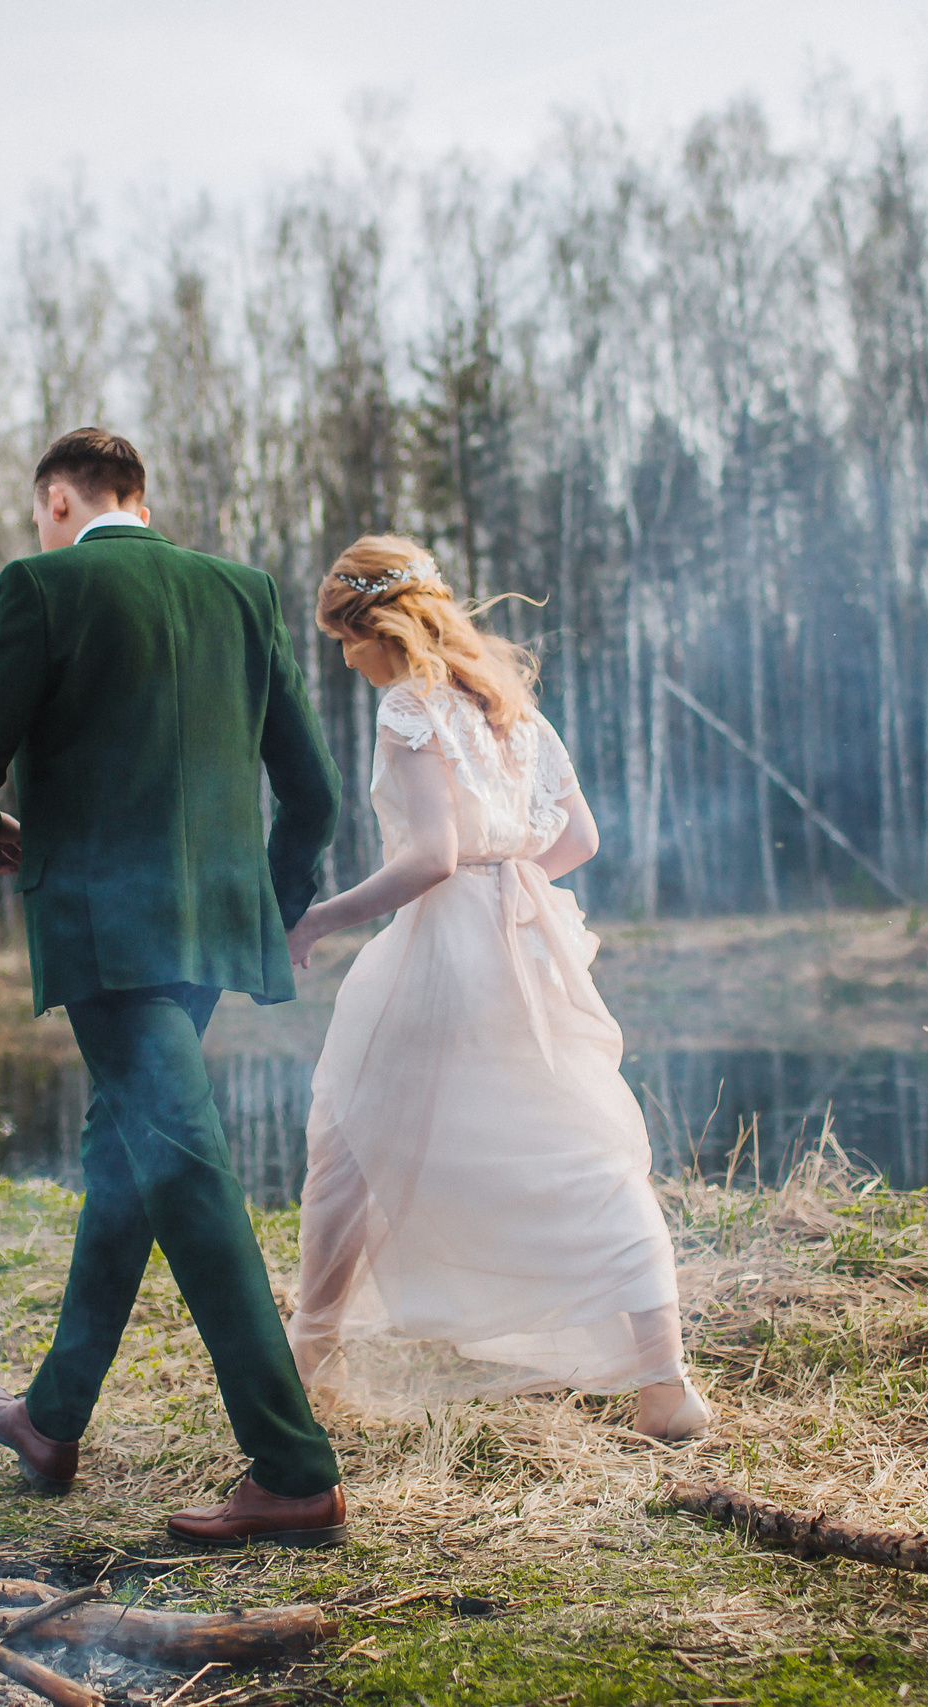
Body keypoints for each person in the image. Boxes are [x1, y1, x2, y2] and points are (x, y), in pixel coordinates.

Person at [0, 428, 351, 1548]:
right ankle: (51, 1419)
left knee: (183, 1170)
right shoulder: (242, 593)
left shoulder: (43, 587)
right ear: (141, 496)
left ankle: (293, 1468)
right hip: (210, 937)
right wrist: (268, 901)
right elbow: (311, 794)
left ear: (60, 500)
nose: (39, 530)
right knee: (125, 1154)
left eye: (40, 512)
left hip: (108, 939)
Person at [281, 535, 714, 1441]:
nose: (345, 659)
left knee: (350, 1134)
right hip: (528, 937)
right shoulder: (506, 704)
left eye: (342, 638)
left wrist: (321, 917)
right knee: (582, 1147)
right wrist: (515, 885)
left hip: (444, 951)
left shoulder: (410, 705)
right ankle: (667, 1383)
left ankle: (304, 1359)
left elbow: (431, 858)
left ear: (375, 626)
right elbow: (581, 840)